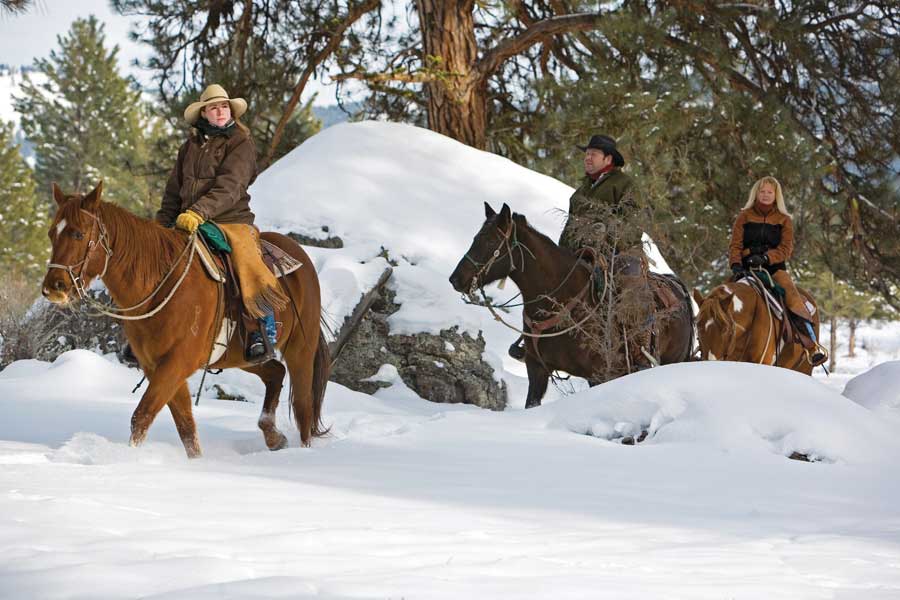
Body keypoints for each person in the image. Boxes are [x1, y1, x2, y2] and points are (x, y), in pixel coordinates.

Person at [156, 83, 287, 361]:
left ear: (231, 111)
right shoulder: (189, 146)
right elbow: (173, 190)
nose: (219, 111)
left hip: (230, 219)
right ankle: (151, 329)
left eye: (224, 106)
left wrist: (198, 212)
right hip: (189, 219)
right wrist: (162, 225)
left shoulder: (240, 141)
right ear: (203, 114)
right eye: (213, 107)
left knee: (246, 261)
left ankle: (262, 329)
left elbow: (231, 186)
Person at [509, 134, 645, 360]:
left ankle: (638, 350)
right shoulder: (580, 192)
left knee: (629, 290)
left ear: (608, 158)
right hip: (581, 255)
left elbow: (634, 224)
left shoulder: (625, 185)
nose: (587, 158)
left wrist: (608, 236)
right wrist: (560, 255)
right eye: (586, 154)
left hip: (618, 253)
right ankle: (535, 341)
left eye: (593, 154)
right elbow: (570, 229)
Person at [728, 176, 827, 367]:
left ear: (776, 196)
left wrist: (766, 258)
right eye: (762, 191)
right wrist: (736, 265)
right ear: (756, 193)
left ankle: (812, 346)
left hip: (775, 270)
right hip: (745, 270)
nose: (765, 195)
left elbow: (786, 249)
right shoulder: (744, 216)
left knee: (794, 300)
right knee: (721, 298)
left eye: (769, 192)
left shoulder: (784, 219)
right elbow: (735, 245)